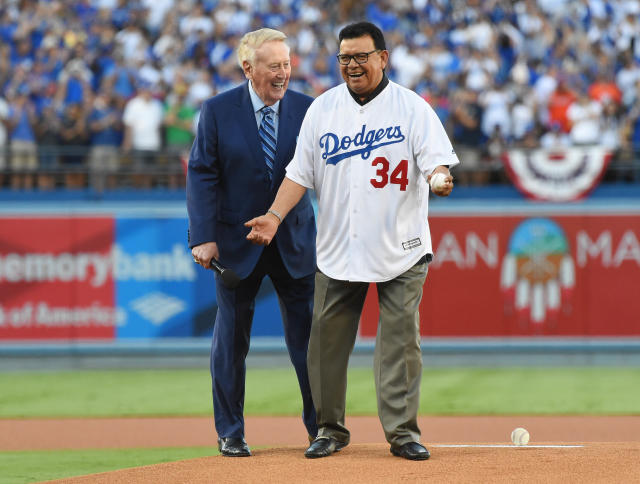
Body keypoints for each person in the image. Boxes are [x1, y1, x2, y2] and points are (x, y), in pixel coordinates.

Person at [245, 21, 458, 461]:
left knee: (399, 342)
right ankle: (329, 429)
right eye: (345, 57)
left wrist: (439, 176)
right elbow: (298, 174)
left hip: (402, 246)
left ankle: (402, 434)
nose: (353, 65)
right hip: (339, 247)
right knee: (323, 343)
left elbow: (438, 163)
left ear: (383, 58)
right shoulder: (323, 110)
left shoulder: (412, 108)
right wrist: (273, 216)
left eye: (361, 56)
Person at [186, 28, 317, 457]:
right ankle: (231, 433)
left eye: (287, 64)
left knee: (309, 344)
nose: (283, 73)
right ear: (248, 68)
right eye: (274, 66)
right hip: (236, 245)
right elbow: (202, 173)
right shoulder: (218, 111)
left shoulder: (308, 109)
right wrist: (203, 237)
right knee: (230, 343)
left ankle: (323, 429)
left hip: (294, 242)